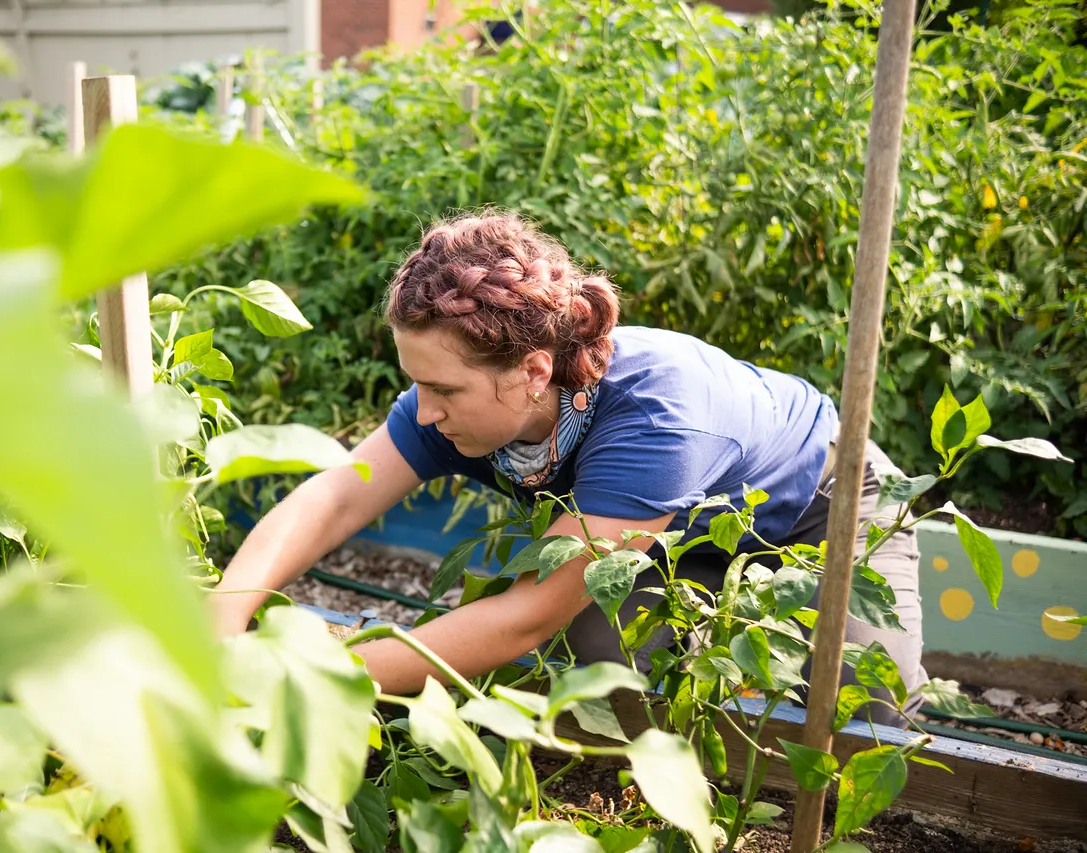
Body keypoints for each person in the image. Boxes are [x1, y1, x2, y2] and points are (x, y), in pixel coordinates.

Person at [212, 212, 927, 726]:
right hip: (686, 535)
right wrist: (224, 612)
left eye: (443, 390)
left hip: (827, 508)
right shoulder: (457, 403)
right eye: (416, 382)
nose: (420, 412)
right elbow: (337, 495)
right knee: (606, 661)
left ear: (530, 371)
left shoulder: (655, 416)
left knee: (870, 713)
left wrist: (308, 674)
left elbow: (527, 614)